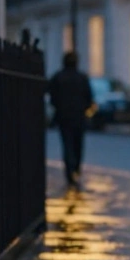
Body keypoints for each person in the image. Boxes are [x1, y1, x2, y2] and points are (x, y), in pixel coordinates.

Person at [48, 51, 93, 191]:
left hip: (64, 117)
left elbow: (52, 97)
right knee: (78, 144)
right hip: (78, 116)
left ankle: (70, 172)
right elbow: (89, 97)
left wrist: (59, 107)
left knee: (67, 145)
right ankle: (76, 169)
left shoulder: (58, 77)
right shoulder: (82, 78)